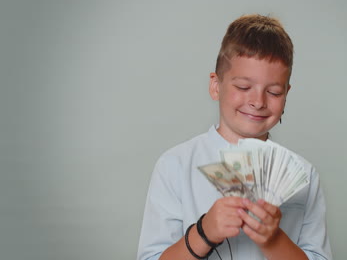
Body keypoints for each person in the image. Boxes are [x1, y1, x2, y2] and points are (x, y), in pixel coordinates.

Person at [137, 14, 332, 260]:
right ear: (215, 86)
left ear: (286, 95)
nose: (258, 102)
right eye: (243, 87)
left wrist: (273, 240)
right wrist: (203, 233)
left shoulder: (305, 177)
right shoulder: (174, 165)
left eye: (273, 92)